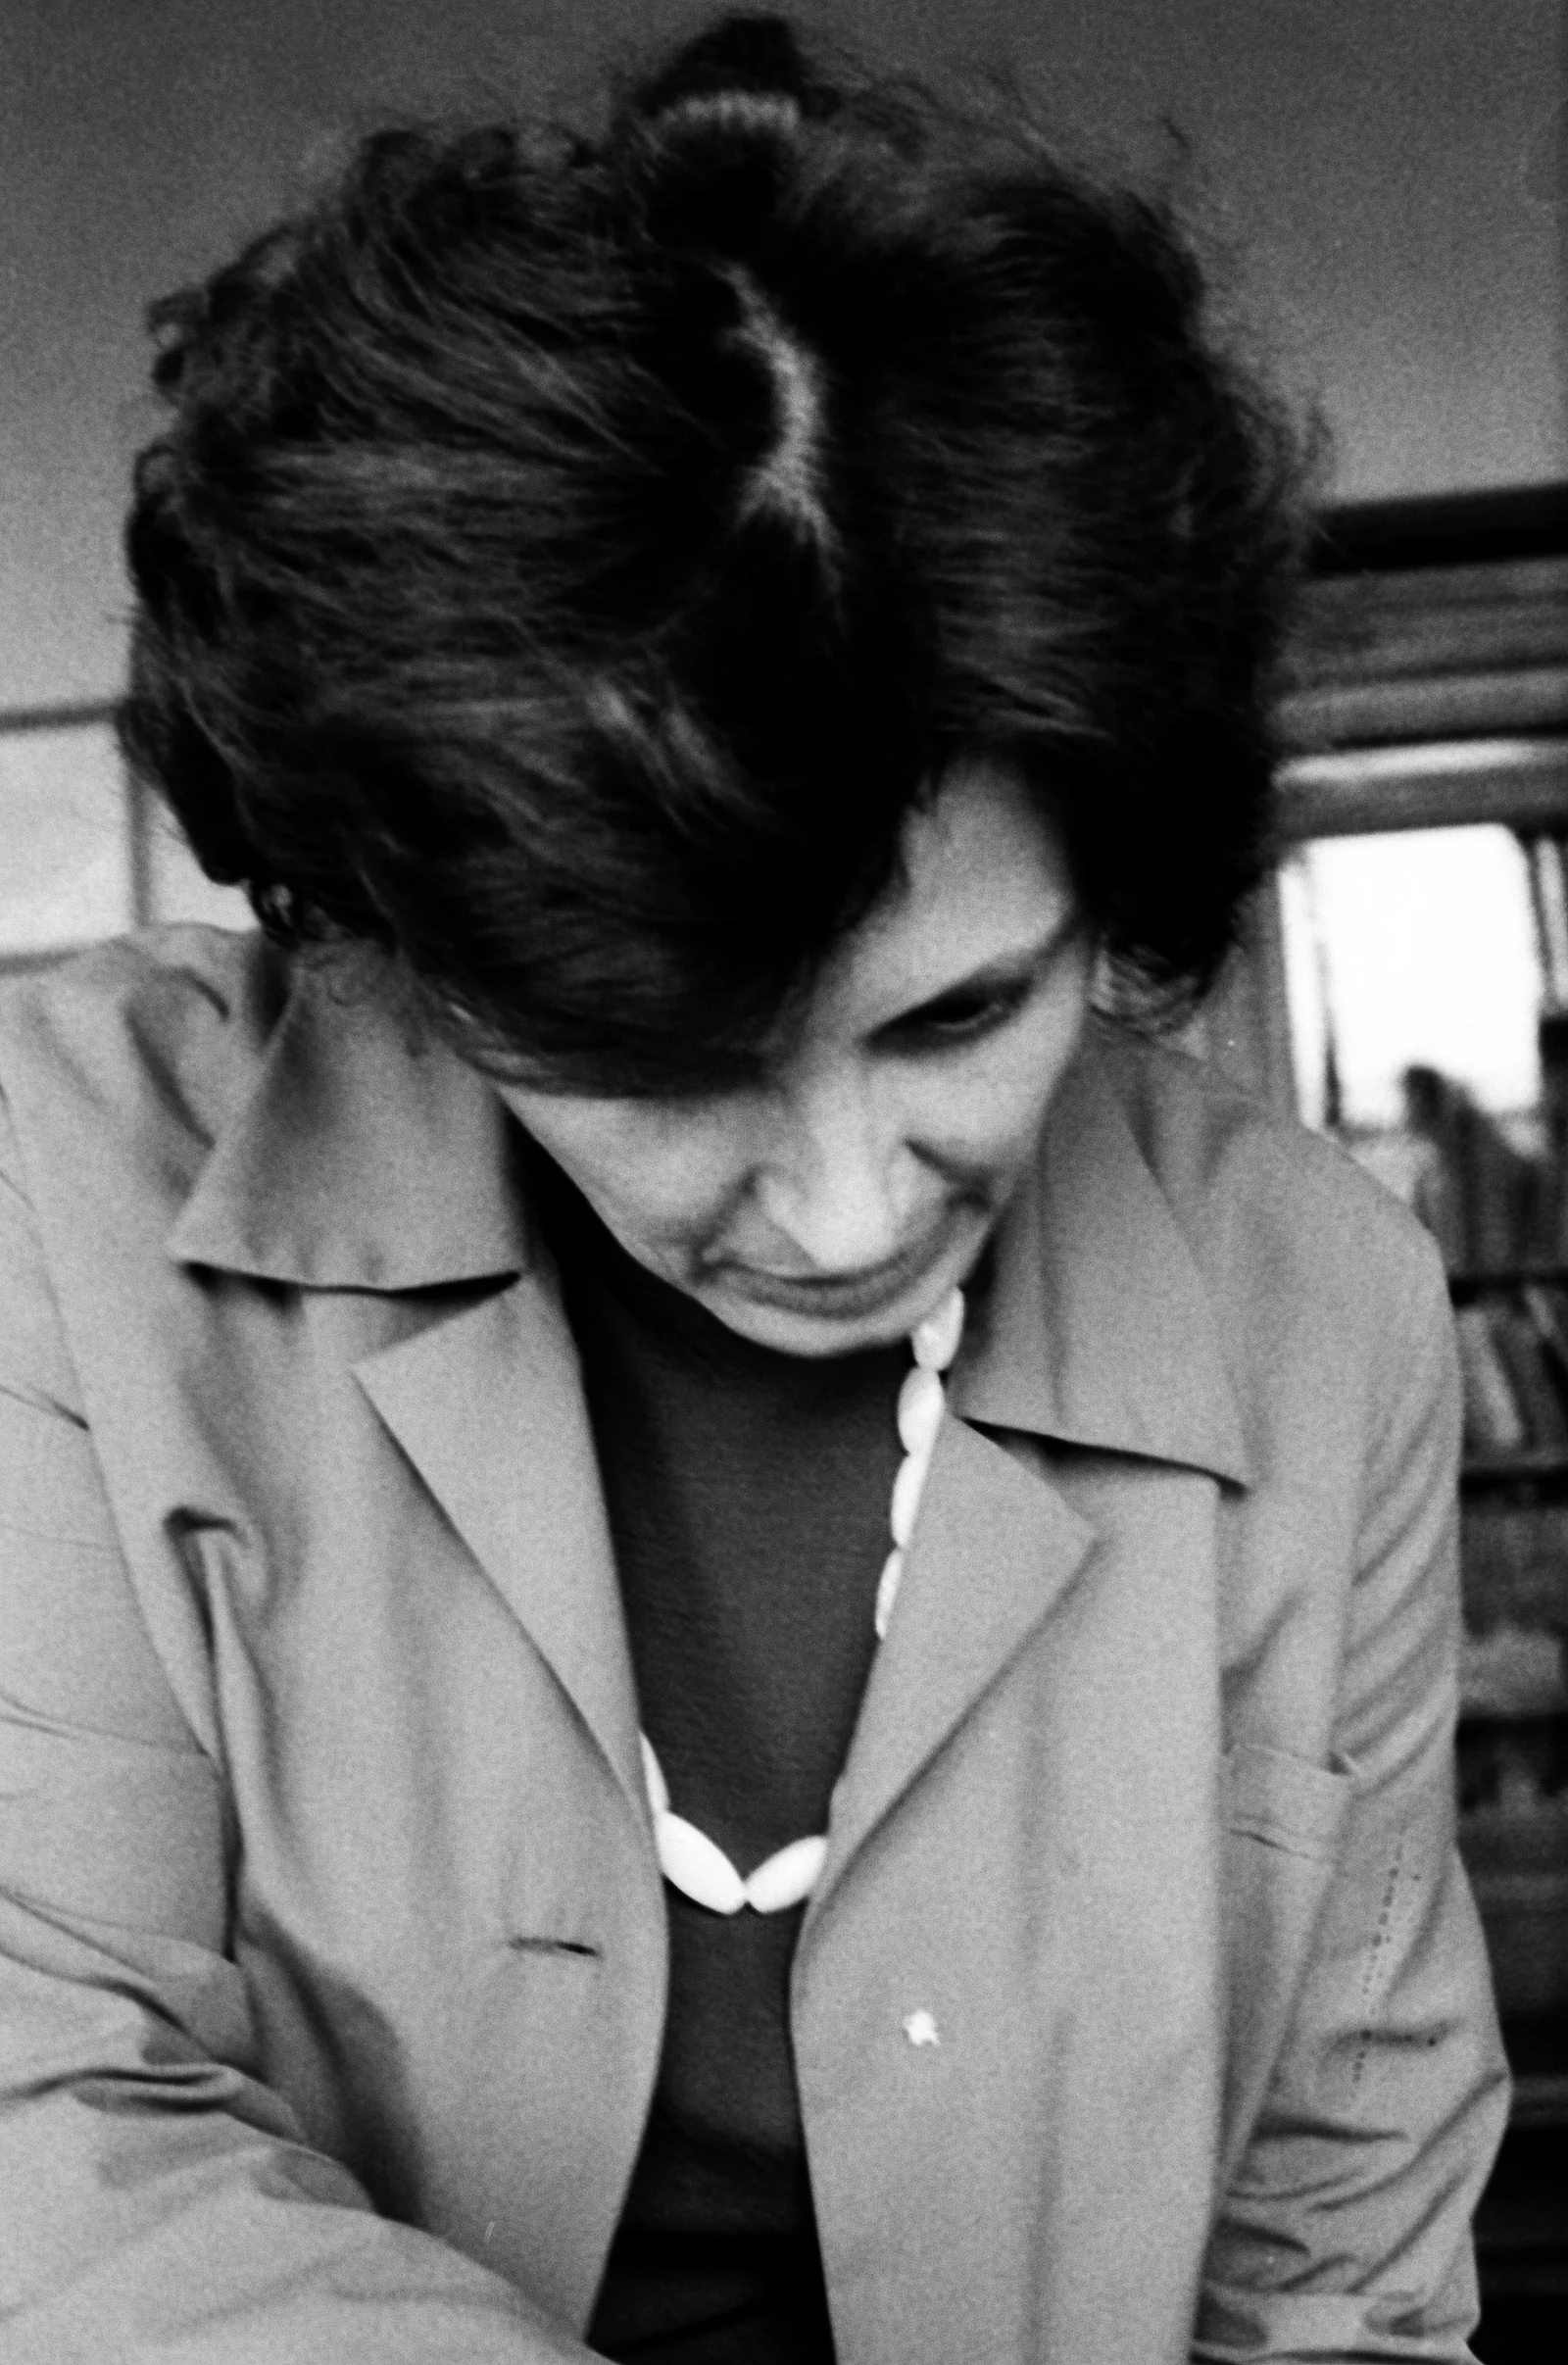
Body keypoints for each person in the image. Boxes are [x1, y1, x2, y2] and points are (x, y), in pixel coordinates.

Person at [0, 12, 1508, 2361]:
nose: (837, 1212)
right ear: (407, 944)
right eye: (665, 1063)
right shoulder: (61, 1194)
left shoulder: (1314, 1308)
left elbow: (1336, 2247)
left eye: (956, 1018)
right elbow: (44, 2116)